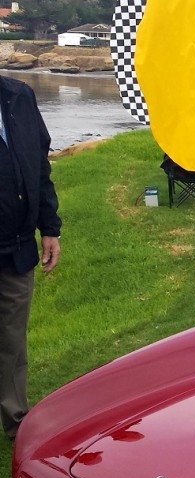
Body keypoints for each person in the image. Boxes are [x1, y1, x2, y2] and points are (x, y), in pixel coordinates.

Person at [0, 74, 62, 442]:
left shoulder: (19, 96)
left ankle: (15, 418)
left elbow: (39, 167)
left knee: (11, 337)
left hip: (17, 245)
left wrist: (49, 227)